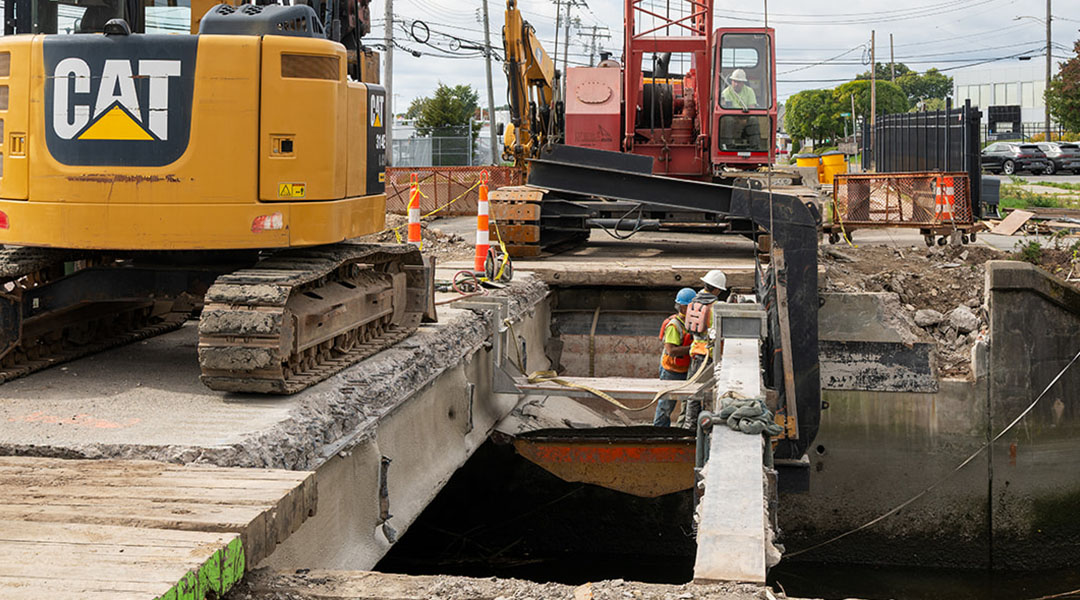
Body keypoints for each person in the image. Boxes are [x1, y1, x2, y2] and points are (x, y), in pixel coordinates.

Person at [679, 270, 730, 429]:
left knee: (692, 392)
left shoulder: (694, 301)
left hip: (695, 353)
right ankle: (700, 427)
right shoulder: (716, 307)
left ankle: (689, 425)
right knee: (706, 393)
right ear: (717, 289)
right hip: (708, 356)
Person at [654, 287, 697, 427]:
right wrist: (693, 348)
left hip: (686, 370)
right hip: (671, 371)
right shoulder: (674, 325)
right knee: (665, 406)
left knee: (688, 404)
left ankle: (680, 431)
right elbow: (671, 350)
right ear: (683, 308)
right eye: (691, 306)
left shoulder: (691, 323)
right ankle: (659, 433)